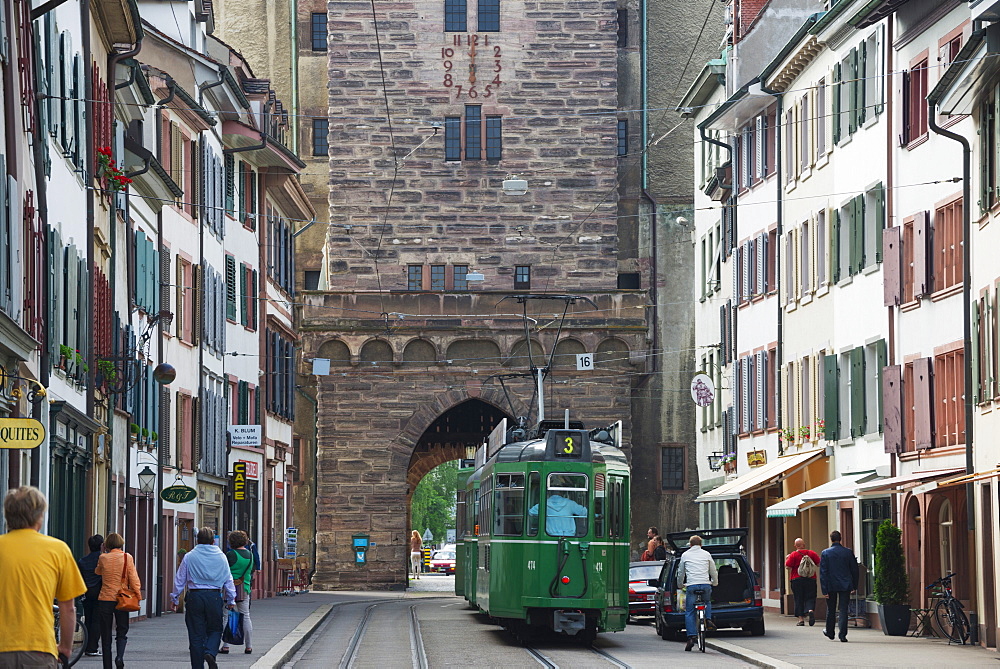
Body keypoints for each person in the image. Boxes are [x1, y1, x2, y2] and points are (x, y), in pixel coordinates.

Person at [0, 486, 86, 667]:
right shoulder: (57, 550)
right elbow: (68, 608)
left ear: (7, 516)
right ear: (39, 516)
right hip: (39, 648)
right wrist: (65, 648)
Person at [171, 527, 236, 669]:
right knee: (215, 629)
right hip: (214, 596)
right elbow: (228, 579)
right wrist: (231, 599)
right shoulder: (221, 556)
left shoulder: (190, 556)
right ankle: (210, 652)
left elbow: (180, 578)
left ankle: (197, 666)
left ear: (197, 540)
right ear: (213, 541)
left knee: (195, 635)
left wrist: (174, 597)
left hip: (195, 596)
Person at [95, 533, 141, 669]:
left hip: (105, 599)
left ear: (107, 545)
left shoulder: (103, 558)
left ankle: (107, 665)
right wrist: (137, 595)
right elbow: (133, 579)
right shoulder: (127, 557)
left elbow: (98, 572)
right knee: (122, 630)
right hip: (123, 599)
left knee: (106, 633)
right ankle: (120, 656)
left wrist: (103, 553)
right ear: (121, 543)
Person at [677, 534, 718, 652]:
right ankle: (708, 618)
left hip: (691, 585)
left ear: (690, 545)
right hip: (705, 584)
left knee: (689, 611)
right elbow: (713, 570)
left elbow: (681, 572)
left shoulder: (685, 555)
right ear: (701, 544)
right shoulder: (706, 554)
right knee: (707, 601)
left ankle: (691, 637)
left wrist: (680, 585)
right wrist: (714, 582)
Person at [819, 530, 859, 643]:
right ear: (840, 539)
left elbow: (823, 573)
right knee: (843, 609)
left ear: (831, 539)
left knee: (831, 609)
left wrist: (824, 589)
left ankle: (830, 632)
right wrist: (854, 585)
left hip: (830, 584)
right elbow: (854, 570)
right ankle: (842, 635)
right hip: (845, 584)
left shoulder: (825, 553)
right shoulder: (848, 552)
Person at [219, 531, 254, 655]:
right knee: (246, 616)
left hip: (229, 589)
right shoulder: (250, 554)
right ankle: (249, 646)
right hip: (244, 588)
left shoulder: (231, 554)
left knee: (226, 616)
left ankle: (226, 645)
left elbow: (224, 570)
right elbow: (251, 570)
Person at [78, 534, 105, 657]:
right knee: (97, 621)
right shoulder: (103, 559)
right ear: (101, 545)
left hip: (86, 593)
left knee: (88, 619)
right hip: (100, 592)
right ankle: (92, 648)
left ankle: (87, 645)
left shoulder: (82, 561)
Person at [785, 537, 820, 626]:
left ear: (795, 546)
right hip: (811, 578)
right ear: (804, 545)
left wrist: (787, 558)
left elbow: (788, 567)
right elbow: (819, 564)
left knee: (798, 598)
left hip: (796, 579)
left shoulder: (793, 555)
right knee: (811, 596)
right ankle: (810, 610)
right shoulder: (811, 553)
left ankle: (801, 620)